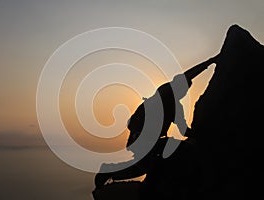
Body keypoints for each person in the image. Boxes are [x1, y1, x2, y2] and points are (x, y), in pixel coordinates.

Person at [94, 54, 219, 189]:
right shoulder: (165, 92)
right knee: (146, 166)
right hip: (141, 138)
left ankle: (112, 171)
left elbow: (183, 130)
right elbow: (188, 75)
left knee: (154, 164)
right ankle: (109, 170)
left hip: (152, 142)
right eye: (183, 86)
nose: (184, 91)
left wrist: (200, 134)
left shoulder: (176, 107)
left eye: (186, 89)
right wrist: (209, 62)